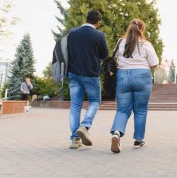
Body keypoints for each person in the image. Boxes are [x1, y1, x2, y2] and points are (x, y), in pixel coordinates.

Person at [110, 19, 159, 153]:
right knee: (140, 110)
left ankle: (117, 133)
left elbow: (115, 59)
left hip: (123, 76)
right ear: (142, 30)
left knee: (122, 110)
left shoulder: (120, 42)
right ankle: (138, 140)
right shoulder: (145, 44)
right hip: (142, 76)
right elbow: (154, 63)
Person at [67, 9, 108, 149]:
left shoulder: (72, 34)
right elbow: (104, 55)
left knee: (75, 105)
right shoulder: (99, 35)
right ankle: (85, 126)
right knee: (95, 101)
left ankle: (74, 139)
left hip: (73, 74)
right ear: (97, 23)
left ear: (86, 19)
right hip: (91, 74)